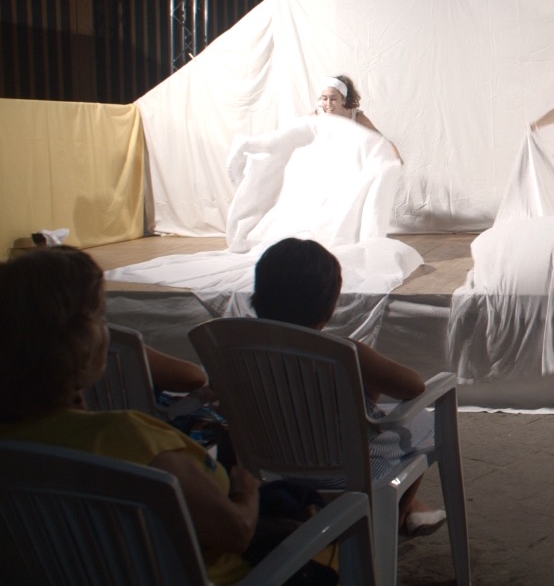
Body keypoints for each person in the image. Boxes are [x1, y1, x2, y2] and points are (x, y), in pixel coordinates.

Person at [0, 247, 264, 584]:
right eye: (100, 318)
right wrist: (246, 489)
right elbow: (237, 532)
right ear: (84, 347)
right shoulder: (130, 439)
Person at [250, 237, 446, 537]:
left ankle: (408, 507)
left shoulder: (236, 348)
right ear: (328, 304)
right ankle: (396, 514)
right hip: (347, 467)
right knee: (425, 422)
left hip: (273, 463)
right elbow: (413, 387)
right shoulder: (343, 352)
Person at [314, 74, 401, 161]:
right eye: (324, 99)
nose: (328, 104)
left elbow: (382, 140)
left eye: (333, 99)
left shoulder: (356, 117)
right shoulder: (316, 115)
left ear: (343, 100)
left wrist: (397, 159)